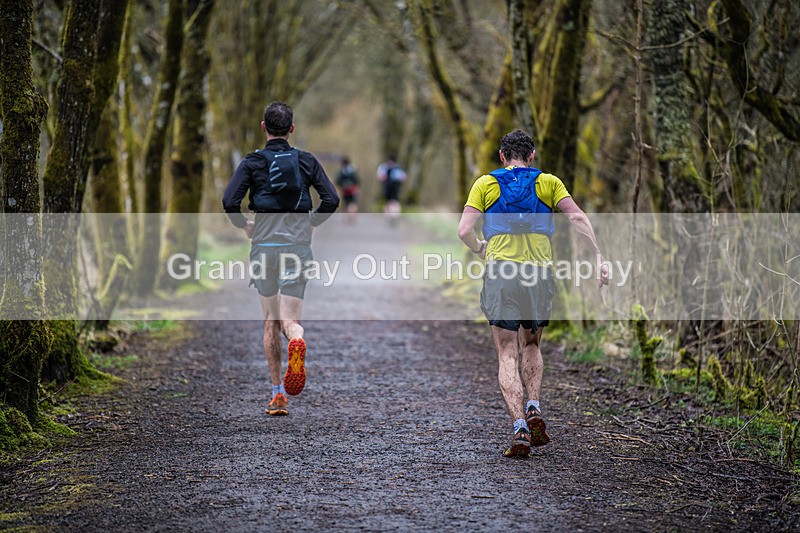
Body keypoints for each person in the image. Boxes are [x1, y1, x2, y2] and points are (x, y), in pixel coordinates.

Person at [457, 129, 609, 458]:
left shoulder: (485, 183)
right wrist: (598, 256)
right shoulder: (549, 183)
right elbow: (577, 217)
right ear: (532, 155)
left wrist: (480, 248)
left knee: (506, 353)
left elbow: (464, 230)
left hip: (501, 274)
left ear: (501, 156)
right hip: (538, 275)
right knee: (531, 343)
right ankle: (534, 406)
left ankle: (519, 428)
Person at [222, 101, 339, 416]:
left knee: (269, 323)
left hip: (264, 247)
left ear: (263, 128)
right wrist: (311, 223)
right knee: (290, 322)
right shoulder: (306, 161)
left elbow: (229, 200)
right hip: (297, 247)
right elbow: (332, 198)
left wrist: (243, 225)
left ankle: (277, 396)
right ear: (291, 129)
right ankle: (297, 340)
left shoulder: (252, 163)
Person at [376, 156, 406, 225]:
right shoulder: (398, 168)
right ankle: (395, 215)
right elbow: (404, 178)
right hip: (396, 187)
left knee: (389, 202)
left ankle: (390, 216)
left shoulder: (384, 167)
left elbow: (380, 177)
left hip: (388, 187)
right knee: (395, 202)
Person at [335, 156, 360, 223]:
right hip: (352, 189)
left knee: (345, 204)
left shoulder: (341, 171)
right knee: (352, 203)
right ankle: (352, 216)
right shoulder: (353, 170)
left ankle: (346, 217)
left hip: (344, 190)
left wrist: (341, 186)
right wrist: (356, 187)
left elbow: (337, 181)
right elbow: (357, 180)